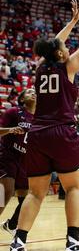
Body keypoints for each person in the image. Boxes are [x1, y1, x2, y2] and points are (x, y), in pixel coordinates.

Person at [7, 0, 79, 251]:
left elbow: (54, 43)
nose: (65, 47)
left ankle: (18, 243)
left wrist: (72, 22)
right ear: (61, 53)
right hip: (62, 132)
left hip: (38, 134)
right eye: (63, 47)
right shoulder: (69, 67)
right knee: (74, 187)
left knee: (35, 193)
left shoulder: (40, 70)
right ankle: (73, 242)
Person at [0, 89, 36, 236]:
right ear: (22, 99)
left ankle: (11, 224)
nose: (33, 93)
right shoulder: (14, 112)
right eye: (28, 92)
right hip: (7, 156)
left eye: (35, 92)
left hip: (25, 161)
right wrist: (11, 130)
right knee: (7, 191)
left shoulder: (40, 119)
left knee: (27, 198)